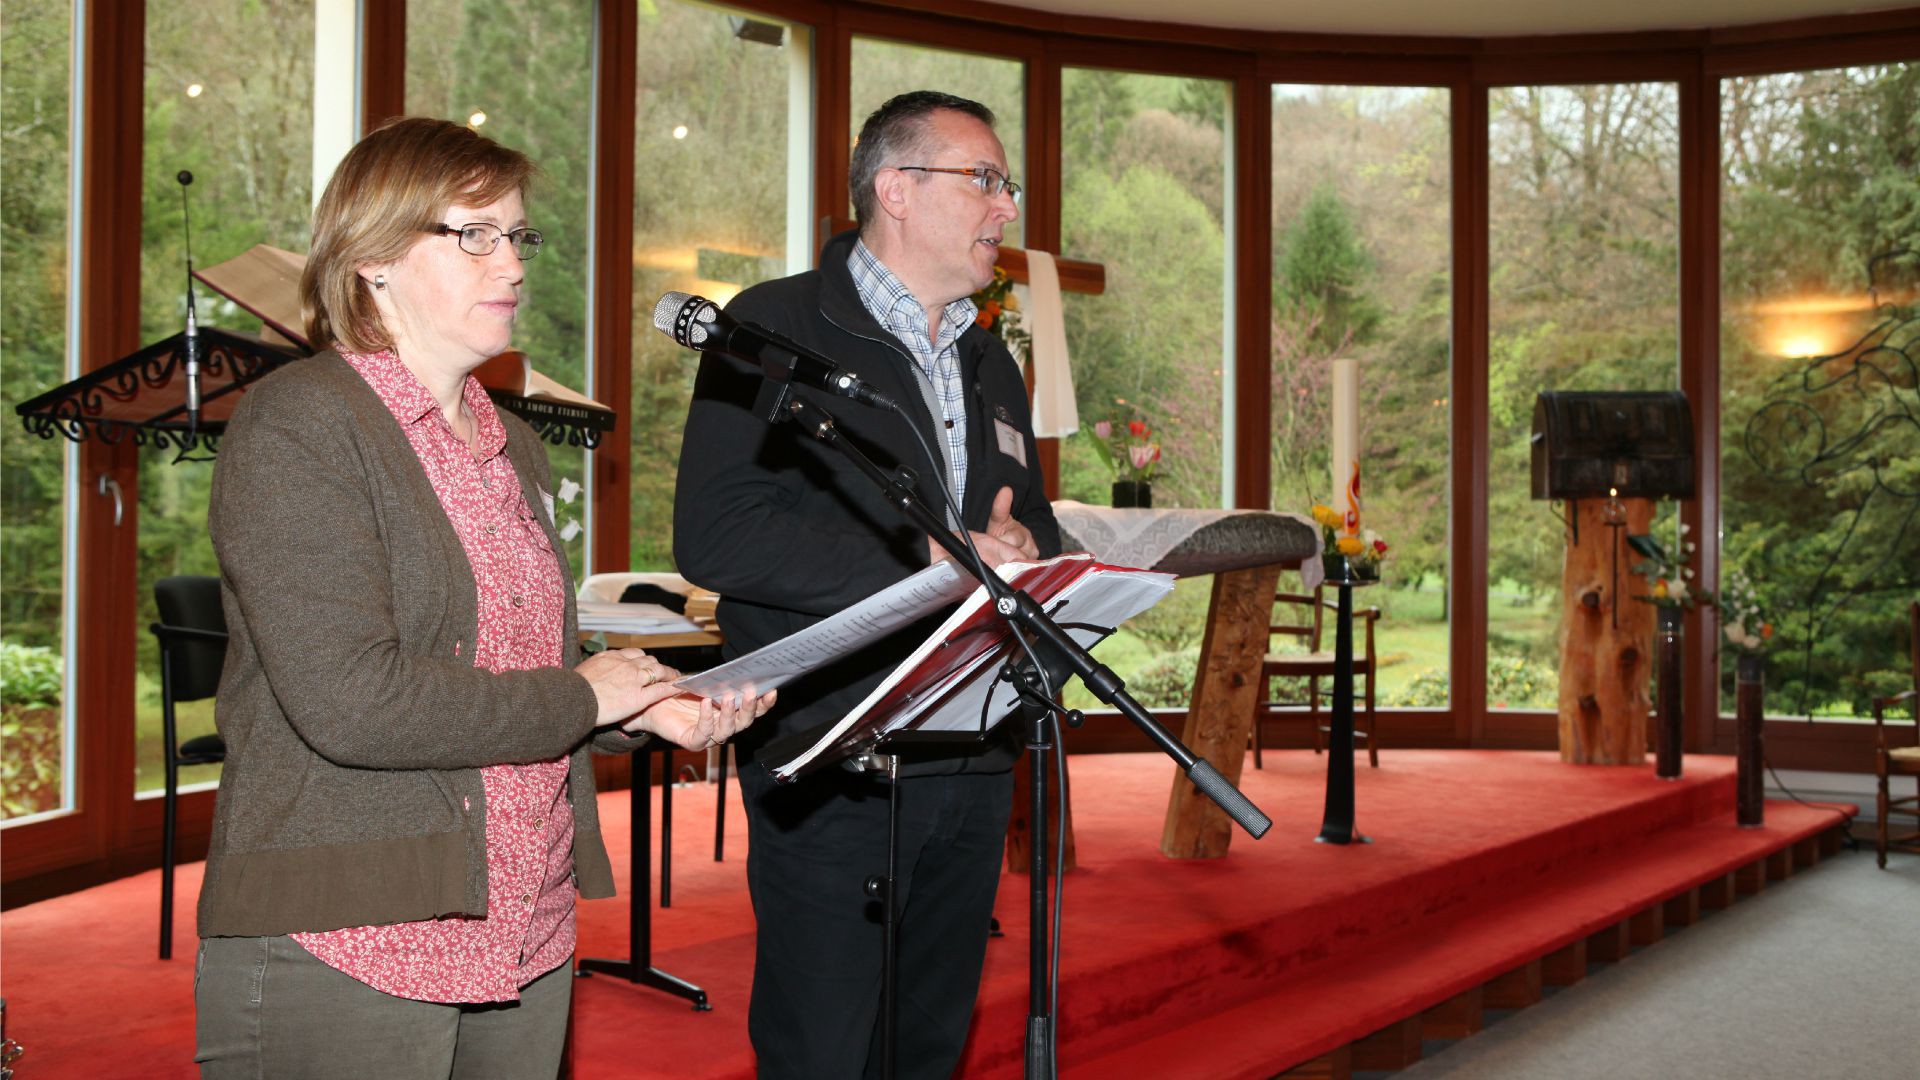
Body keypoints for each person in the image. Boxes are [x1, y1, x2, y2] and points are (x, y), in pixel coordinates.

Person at [194, 116, 771, 1079]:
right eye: (473, 235)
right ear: (373, 258)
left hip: (524, 923)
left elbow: (516, 679)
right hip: (352, 926)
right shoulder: (301, 422)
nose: (510, 263)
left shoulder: (514, 444)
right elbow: (352, 702)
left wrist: (644, 712)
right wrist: (587, 696)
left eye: (517, 236)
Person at [674, 91, 1061, 1078]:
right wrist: (917, 559)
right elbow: (717, 533)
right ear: (895, 188)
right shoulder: (774, 327)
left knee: (927, 1045)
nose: (1005, 208)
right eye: (986, 180)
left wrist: (1027, 556)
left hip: (971, 755)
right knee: (825, 1048)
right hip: (832, 756)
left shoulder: (989, 359)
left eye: (1003, 185)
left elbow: (1028, 524)